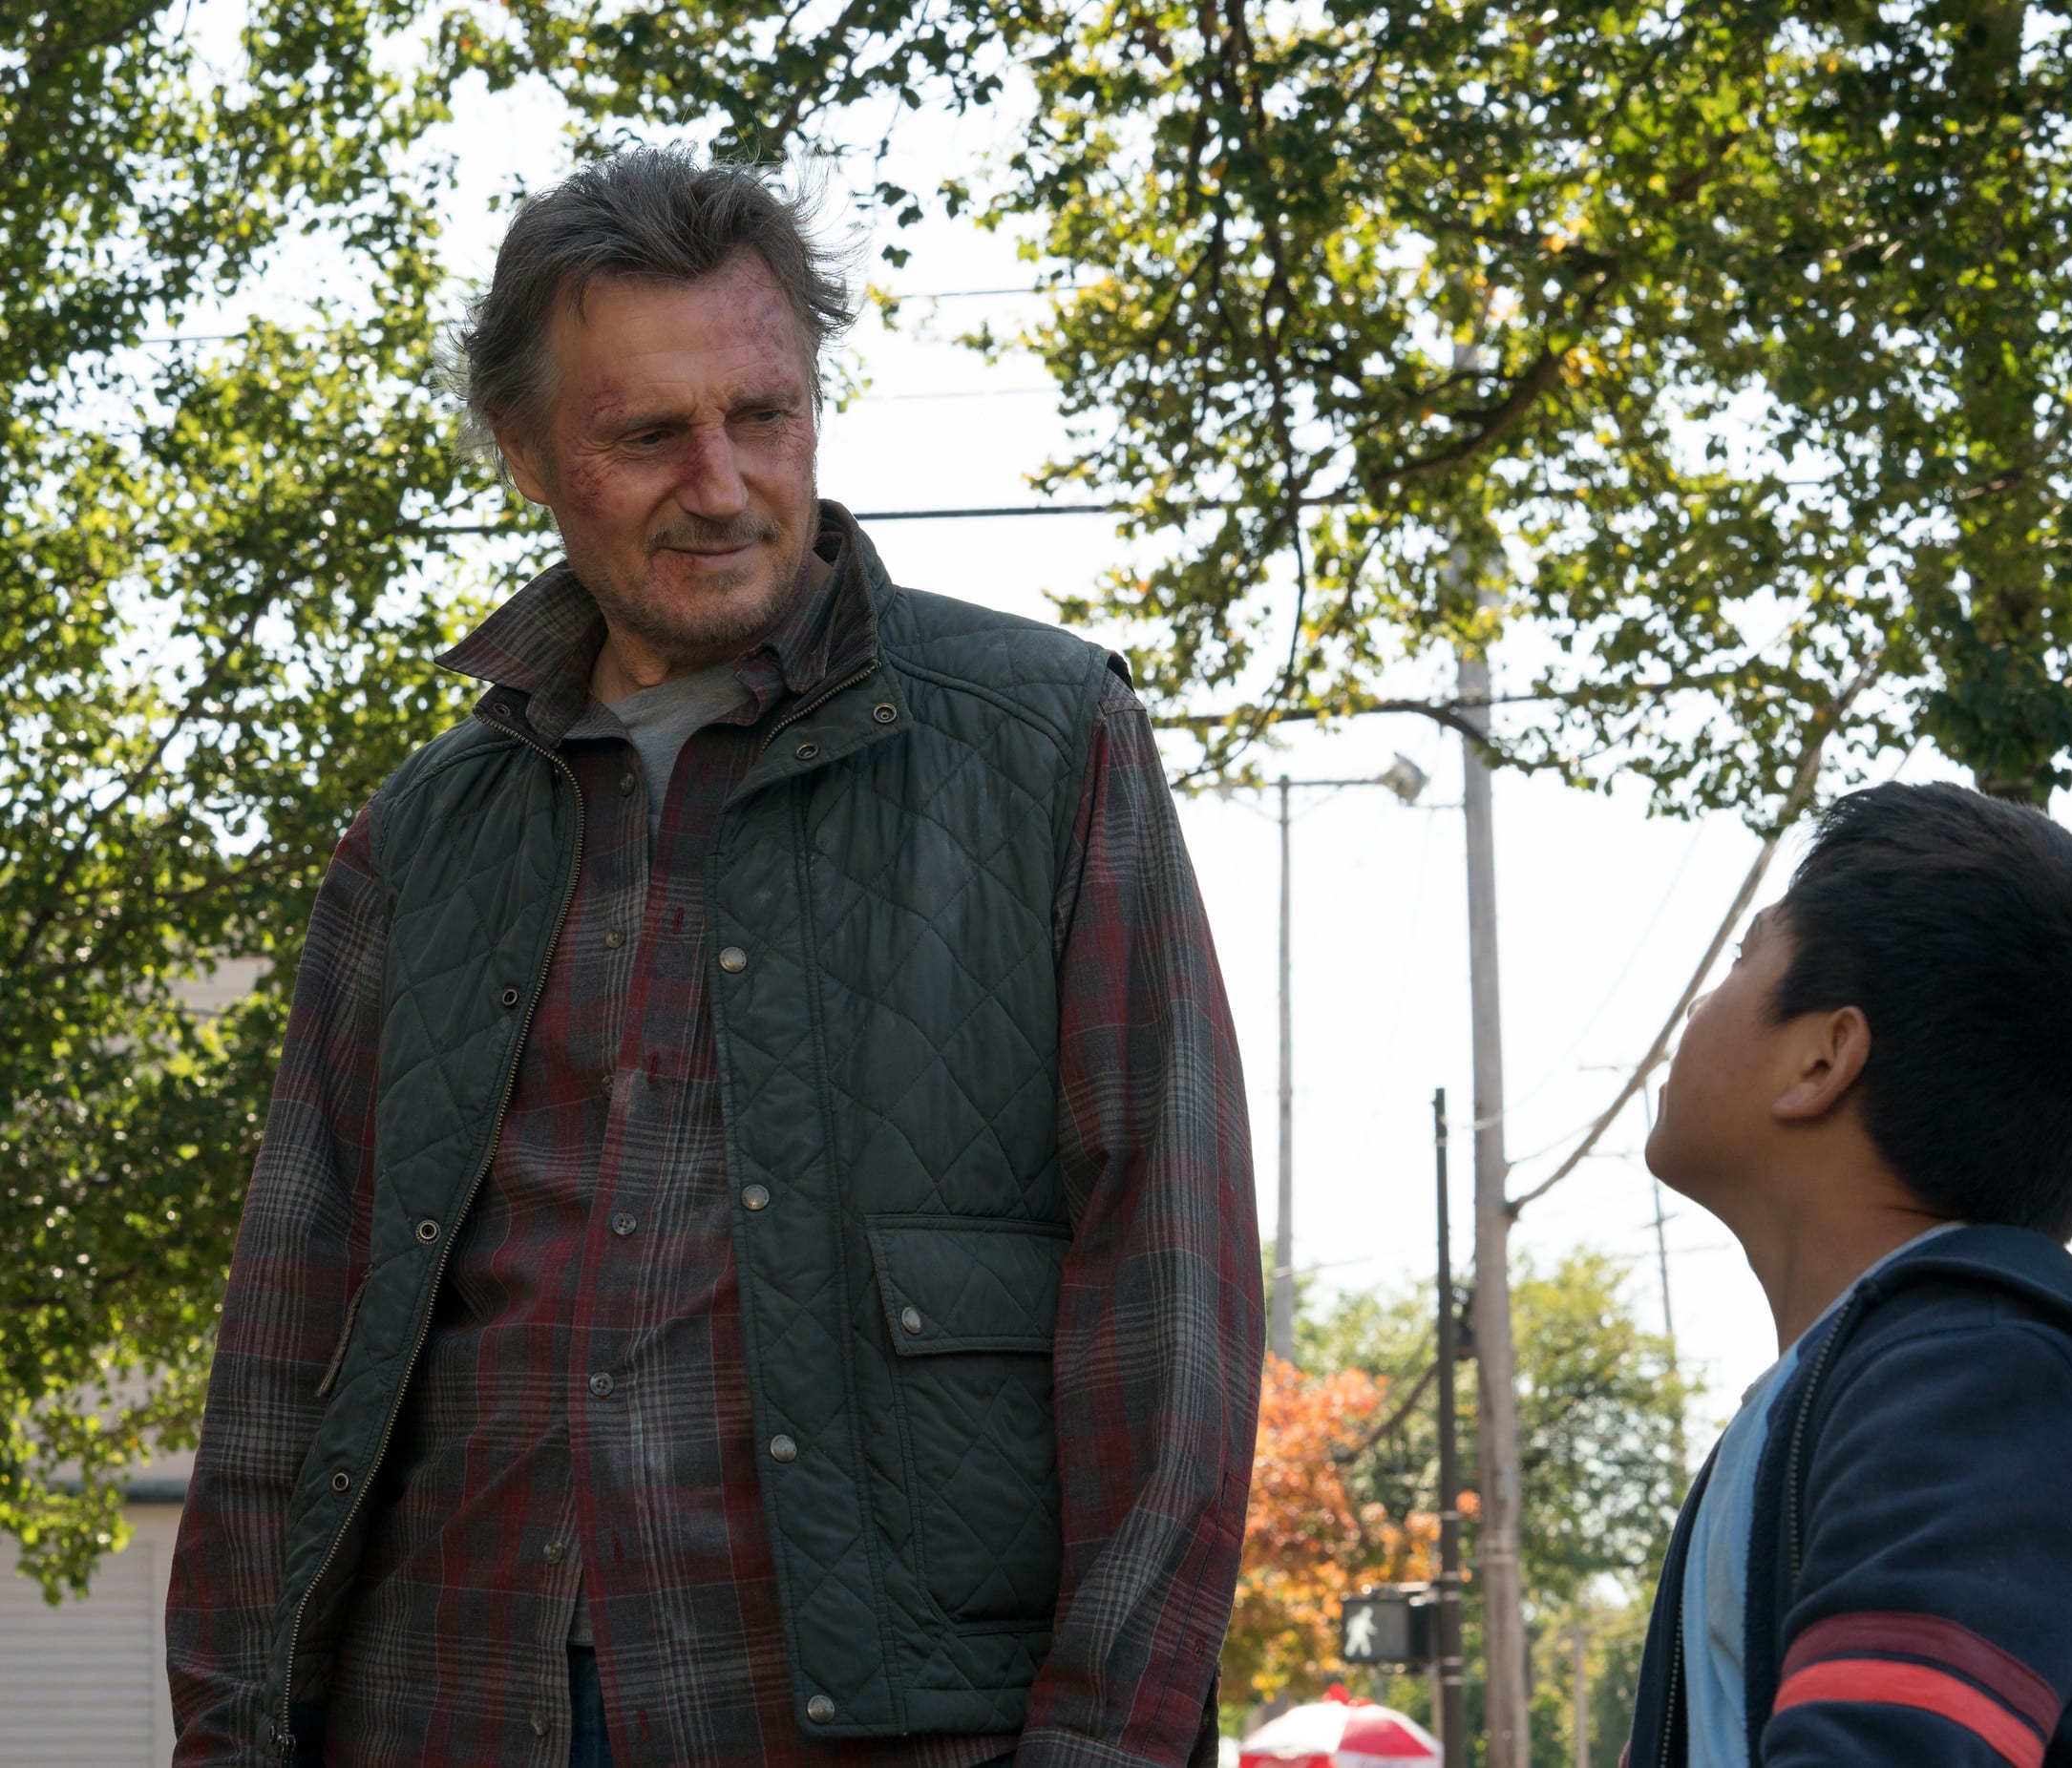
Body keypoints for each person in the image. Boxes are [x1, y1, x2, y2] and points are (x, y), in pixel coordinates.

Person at [166, 147, 1263, 1768]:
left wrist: (1107, 1742)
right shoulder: (418, 836)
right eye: (646, 434)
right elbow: (286, 1337)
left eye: (764, 413)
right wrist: (230, 1735)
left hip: (880, 1723)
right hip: (442, 1705)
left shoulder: (1047, 744)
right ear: (525, 451)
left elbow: (1168, 1295)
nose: (724, 482)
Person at [1622, 781, 2072, 1767]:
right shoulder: (1874, 1385)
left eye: (1741, 958)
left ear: (1821, 1060)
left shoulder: (1983, 1382)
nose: (1699, 1003)